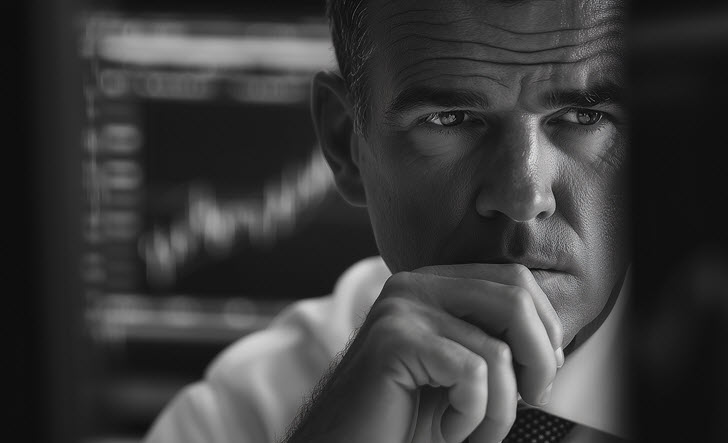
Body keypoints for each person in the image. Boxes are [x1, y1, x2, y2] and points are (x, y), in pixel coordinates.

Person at [144, 0, 630, 441]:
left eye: (583, 117)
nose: (524, 199)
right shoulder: (237, 418)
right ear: (344, 143)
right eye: (451, 118)